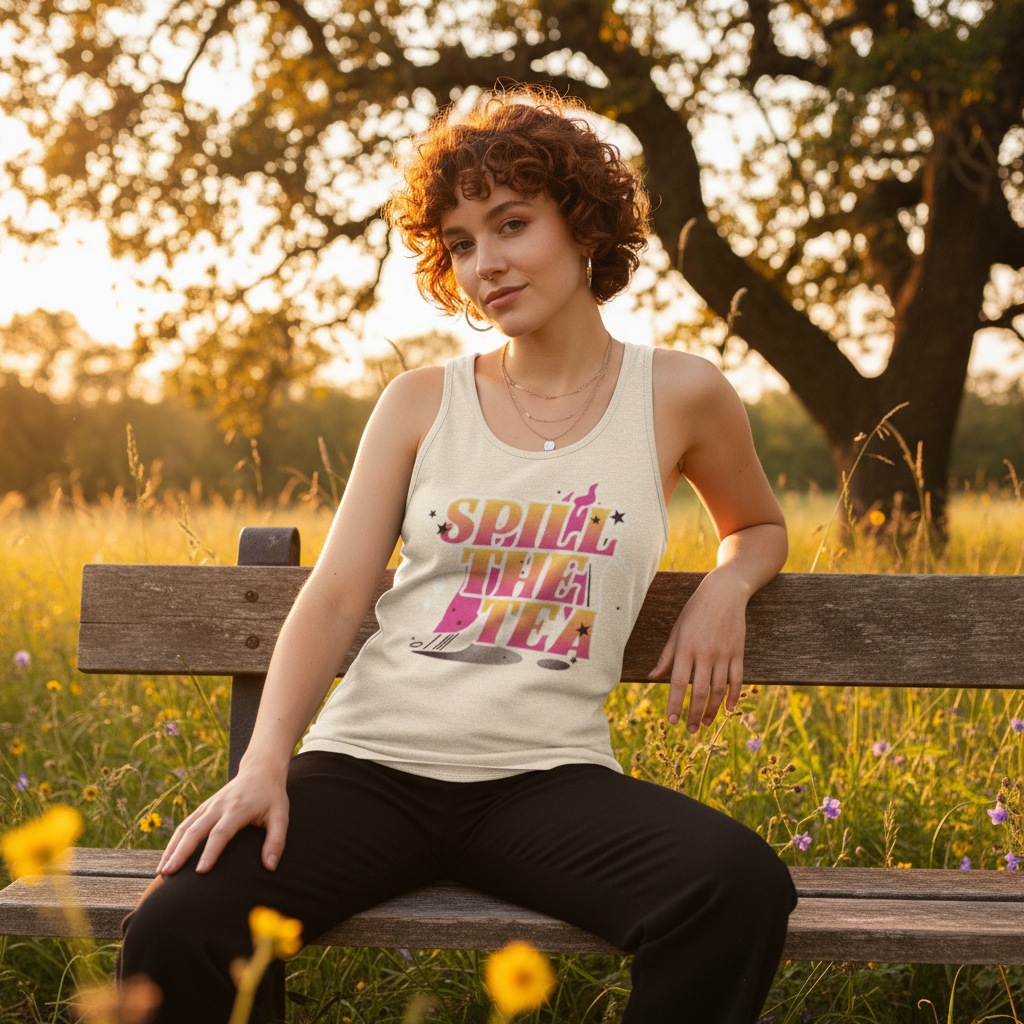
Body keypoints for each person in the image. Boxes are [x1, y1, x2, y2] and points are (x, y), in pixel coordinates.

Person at [119, 86, 796, 1023]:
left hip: (546, 782)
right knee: (175, 927)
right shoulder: (420, 402)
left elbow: (758, 525)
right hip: (369, 766)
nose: (487, 264)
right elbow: (335, 596)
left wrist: (730, 582)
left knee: (737, 885)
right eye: (463, 243)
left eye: (512, 224)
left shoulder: (680, 394)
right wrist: (267, 762)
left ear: (585, 224)